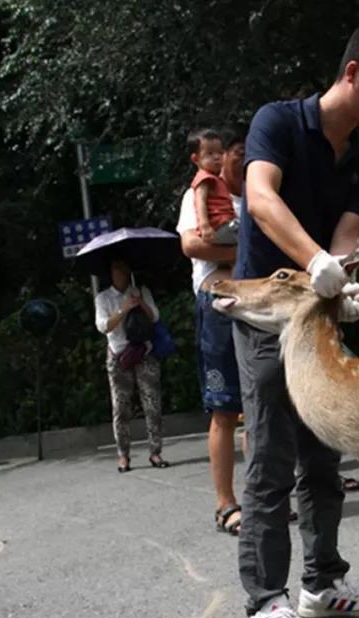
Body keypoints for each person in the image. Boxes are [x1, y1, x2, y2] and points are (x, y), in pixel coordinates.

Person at [235, 22, 359, 618]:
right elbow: (260, 199)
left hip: (322, 314)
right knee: (271, 452)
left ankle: (322, 582)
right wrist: (316, 264)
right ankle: (264, 601)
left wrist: (344, 282)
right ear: (351, 73)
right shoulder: (278, 122)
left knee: (324, 450)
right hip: (269, 314)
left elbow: (346, 233)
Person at [178, 123, 249, 535]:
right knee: (224, 409)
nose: (227, 158)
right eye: (223, 151)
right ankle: (226, 504)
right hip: (218, 300)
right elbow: (192, 244)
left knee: (258, 407)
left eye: (233, 150)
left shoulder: (256, 200)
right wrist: (243, 250)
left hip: (254, 304)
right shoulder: (199, 192)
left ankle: (261, 498)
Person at [94, 258, 167, 473]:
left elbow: (155, 317)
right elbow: (103, 326)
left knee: (152, 403)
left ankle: (155, 452)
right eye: (118, 269)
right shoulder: (103, 298)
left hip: (143, 351)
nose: (123, 273)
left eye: (125, 269)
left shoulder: (140, 290)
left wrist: (140, 302)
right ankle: (123, 455)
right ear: (112, 272)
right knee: (121, 407)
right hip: (119, 355)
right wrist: (124, 309)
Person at [188, 128, 240, 245]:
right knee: (250, 236)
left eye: (220, 153)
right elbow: (200, 201)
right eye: (210, 153)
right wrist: (204, 225)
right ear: (196, 159)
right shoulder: (204, 178)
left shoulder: (217, 179)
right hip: (217, 228)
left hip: (226, 225)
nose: (217, 157)